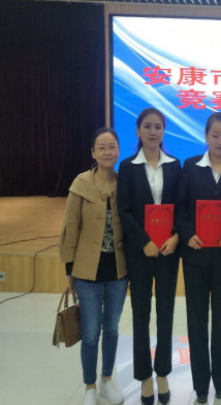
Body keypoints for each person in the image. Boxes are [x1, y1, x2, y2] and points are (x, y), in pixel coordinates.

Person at [176, 112, 221, 404]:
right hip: (194, 258)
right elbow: (181, 208)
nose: (220, 141)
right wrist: (188, 233)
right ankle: (200, 385)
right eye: (215, 135)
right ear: (206, 137)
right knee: (196, 322)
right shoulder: (191, 167)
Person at [59, 127, 129, 405]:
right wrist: (69, 270)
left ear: (118, 150)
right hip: (87, 271)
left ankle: (106, 381)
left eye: (112, 146)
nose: (107, 152)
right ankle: (89, 386)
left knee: (111, 329)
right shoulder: (81, 184)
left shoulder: (125, 183)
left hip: (118, 271)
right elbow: (70, 227)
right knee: (90, 334)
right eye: (102, 147)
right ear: (93, 152)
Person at [117, 108, 181, 405]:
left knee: (165, 313)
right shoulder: (127, 167)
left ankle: (163, 372)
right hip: (140, 253)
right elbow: (125, 210)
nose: (153, 132)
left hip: (168, 251)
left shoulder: (175, 165)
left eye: (158, 127)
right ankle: (144, 376)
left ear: (163, 131)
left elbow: (181, 206)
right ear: (138, 131)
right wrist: (144, 242)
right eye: (147, 126)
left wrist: (175, 237)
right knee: (141, 314)